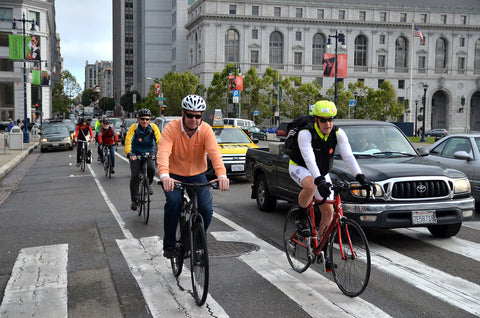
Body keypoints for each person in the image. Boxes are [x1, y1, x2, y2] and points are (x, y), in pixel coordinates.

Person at [288, 100, 371, 268]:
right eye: (324, 120)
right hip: (300, 167)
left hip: (322, 172)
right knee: (311, 185)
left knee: (329, 211)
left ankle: (322, 251)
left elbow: (348, 156)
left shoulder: (338, 133)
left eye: (331, 119)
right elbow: (309, 158)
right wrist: (319, 180)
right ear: (316, 120)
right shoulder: (306, 133)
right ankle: (301, 216)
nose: (328, 124)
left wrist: (360, 176)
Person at [157, 94, 230, 258]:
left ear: (202, 116)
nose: (194, 119)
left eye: (198, 116)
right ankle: (169, 245)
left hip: (197, 174)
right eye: (190, 115)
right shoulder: (171, 128)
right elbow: (163, 153)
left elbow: (215, 155)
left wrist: (222, 175)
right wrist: (164, 175)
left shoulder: (206, 130)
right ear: (183, 113)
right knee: (173, 203)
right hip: (174, 175)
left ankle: (196, 243)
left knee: (206, 209)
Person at [124, 108, 161, 211]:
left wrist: (162, 152)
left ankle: (148, 183)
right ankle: (134, 201)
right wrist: (129, 153)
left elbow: (159, 140)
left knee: (152, 168)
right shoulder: (134, 128)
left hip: (149, 152)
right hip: (136, 154)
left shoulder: (153, 127)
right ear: (138, 119)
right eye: (143, 119)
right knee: (135, 175)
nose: (145, 121)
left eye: (147, 119)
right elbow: (128, 140)